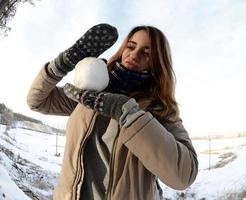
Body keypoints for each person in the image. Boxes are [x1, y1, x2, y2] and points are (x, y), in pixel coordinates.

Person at [27, 23, 198, 200]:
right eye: (131, 46)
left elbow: (184, 176)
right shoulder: (90, 92)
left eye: (146, 53)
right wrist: (62, 64)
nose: (134, 54)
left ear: (158, 64)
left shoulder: (160, 109)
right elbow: (37, 101)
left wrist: (128, 113)